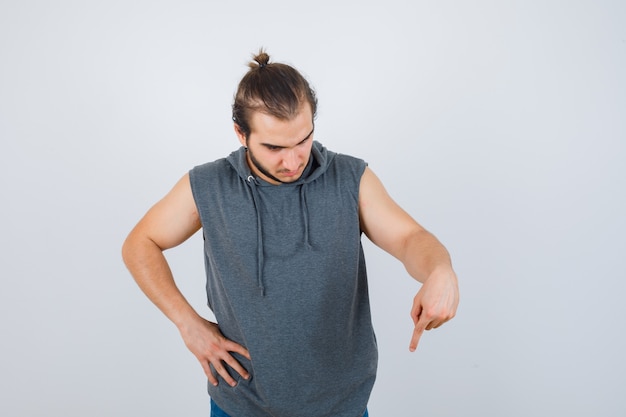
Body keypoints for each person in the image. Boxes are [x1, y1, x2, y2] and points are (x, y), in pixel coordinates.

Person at [122, 50, 459, 417]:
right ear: (241, 134)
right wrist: (188, 324)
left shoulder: (350, 178)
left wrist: (440, 270)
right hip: (240, 403)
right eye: (274, 147)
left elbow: (410, 238)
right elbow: (140, 243)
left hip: (340, 405)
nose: (293, 160)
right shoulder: (207, 185)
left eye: (303, 140)